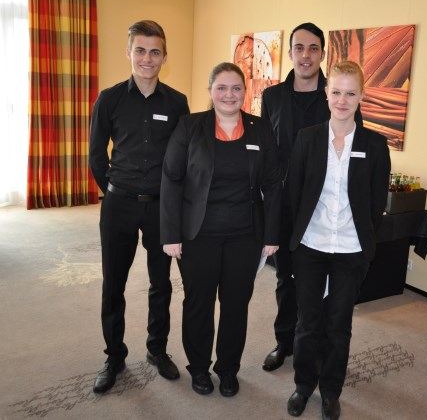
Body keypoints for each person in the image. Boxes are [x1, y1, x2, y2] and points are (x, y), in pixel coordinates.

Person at [160, 62, 281, 397]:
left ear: (245, 92)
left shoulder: (260, 129)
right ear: (210, 91)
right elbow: (171, 179)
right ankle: (199, 368)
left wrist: (272, 234)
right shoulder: (190, 126)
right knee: (198, 303)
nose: (229, 95)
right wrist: (170, 234)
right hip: (198, 235)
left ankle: (228, 369)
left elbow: (273, 183)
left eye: (236, 88)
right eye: (222, 88)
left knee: (235, 305)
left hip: (245, 235)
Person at [88, 20, 190, 393]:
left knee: (160, 283)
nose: (147, 59)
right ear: (129, 52)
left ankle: (156, 350)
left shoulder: (177, 102)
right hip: (119, 205)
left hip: (161, 208)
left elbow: (182, 158)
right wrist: (115, 191)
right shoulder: (109, 99)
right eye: (140, 50)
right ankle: (114, 356)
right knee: (113, 283)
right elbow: (96, 155)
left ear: (164, 56)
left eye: (155, 52)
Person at [285, 61, 390, 419]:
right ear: (326, 94)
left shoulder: (375, 145)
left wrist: (366, 246)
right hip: (311, 246)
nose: (342, 100)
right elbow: (294, 194)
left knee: (338, 326)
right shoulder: (308, 138)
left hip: (350, 250)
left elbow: (376, 204)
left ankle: (330, 391)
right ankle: (303, 386)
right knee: (307, 323)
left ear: (361, 96)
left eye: (350, 93)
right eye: (336, 92)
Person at [260, 22, 363, 372]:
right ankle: (284, 342)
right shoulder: (272, 97)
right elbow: (267, 152)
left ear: (323, 53)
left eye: (313, 48)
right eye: (299, 48)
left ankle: (318, 345)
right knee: (286, 279)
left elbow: (355, 147)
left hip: (323, 208)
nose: (306, 55)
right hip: (286, 207)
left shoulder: (336, 95)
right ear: (290, 53)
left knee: (324, 285)